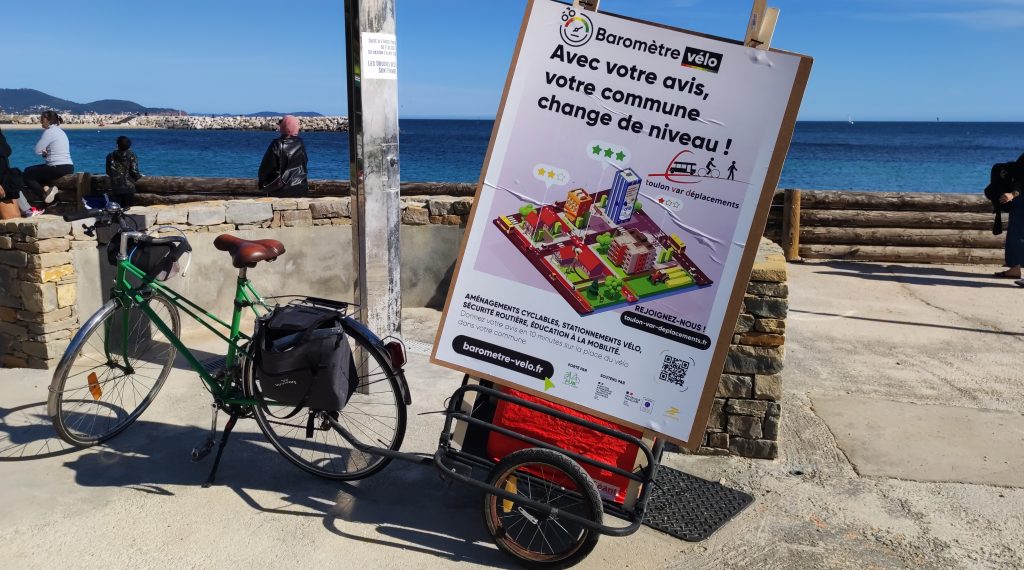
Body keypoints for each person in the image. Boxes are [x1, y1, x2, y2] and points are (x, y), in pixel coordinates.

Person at [18, 110, 74, 216]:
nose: (40, 121)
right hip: (68, 166)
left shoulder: (49, 132)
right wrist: (46, 153)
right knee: (30, 170)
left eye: (42, 119)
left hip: (57, 166)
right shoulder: (60, 131)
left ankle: (46, 198)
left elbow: (37, 150)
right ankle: (47, 189)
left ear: (48, 120)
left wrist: (44, 153)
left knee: (27, 175)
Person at [258, 115, 308, 197]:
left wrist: (262, 182)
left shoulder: (277, 144)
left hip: (280, 189)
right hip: (300, 187)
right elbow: (304, 163)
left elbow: (265, 168)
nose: (299, 127)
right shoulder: (300, 143)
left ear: (284, 126)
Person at [105, 136, 142, 208]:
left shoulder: (110, 156)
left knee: (116, 210)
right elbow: (134, 171)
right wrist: (138, 177)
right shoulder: (132, 155)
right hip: (129, 188)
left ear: (117, 144)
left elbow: (108, 171)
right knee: (128, 211)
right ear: (129, 145)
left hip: (115, 187)